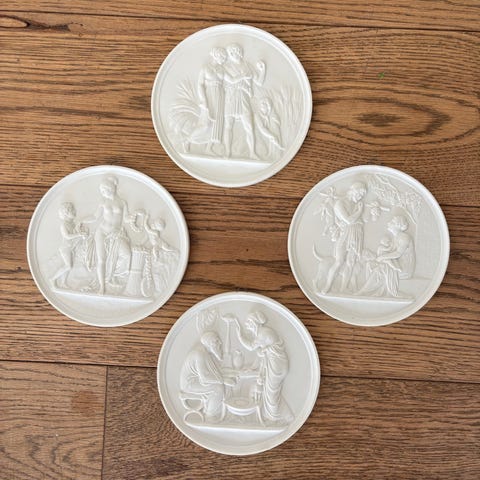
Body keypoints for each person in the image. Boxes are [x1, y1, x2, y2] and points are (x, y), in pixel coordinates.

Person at [233, 311, 292, 424]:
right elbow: (262, 353)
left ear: (254, 322)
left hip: (277, 366)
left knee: (271, 393)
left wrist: (240, 335)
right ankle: (285, 416)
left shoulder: (263, 333)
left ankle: (274, 418)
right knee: (270, 391)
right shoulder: (261, 333)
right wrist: (253, 368)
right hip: (275, 364)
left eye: (248, 322)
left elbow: (251, 347)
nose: (246, 324)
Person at [83, 176, 135, 294]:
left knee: (127, 254)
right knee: (102, 259)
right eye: (101, 191)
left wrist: (132, 217)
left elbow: (126, 218)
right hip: (102, 232)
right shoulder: (103, 202)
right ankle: (102, 287)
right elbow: (95, 216)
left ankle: (113, 275)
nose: (103, 193)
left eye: (104, 190)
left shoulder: (122, 202)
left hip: (116, 234)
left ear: (111, 188)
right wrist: (82, 221)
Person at [321, 182, 367, 294]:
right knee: (339, 261)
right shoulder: (340, 203)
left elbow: (360, 221)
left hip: (356, 235)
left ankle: (343, 289)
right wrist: (359, 211)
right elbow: (349, 220)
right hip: (346, 234)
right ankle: (327, 286)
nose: (360, 198)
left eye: (362, 196)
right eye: (359, 194)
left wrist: (358, 213)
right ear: (353, 191)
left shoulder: (355, 204)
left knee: (351, 263)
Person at [180, 331, 237, 420]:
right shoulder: (199, 354)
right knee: (218, 388)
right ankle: (210, 416)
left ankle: (226, 413)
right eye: (216, 341)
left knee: (221, 385)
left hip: (196, 381)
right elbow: (205, 378)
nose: (220, 343)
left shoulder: (204, 352)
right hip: (190, 384)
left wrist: (231, 374)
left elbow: (215, 372)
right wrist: (224, 380)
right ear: (209, 343)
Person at [223, 44, 266, 159]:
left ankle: (252, 152)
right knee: (228, 125)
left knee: (249, 127)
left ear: (239, 52)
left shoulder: (248, 66)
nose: (233, 54)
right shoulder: (226, 67)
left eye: (235, 52)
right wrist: (243, 76)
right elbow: (230, 80)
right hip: (231, 98)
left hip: (244, 98)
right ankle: (227, 152)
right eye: (231, 53)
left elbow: (259, 82)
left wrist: (263, 70)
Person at [187, 47, 227, 154]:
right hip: (209, 95)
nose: (224, 59)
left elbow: (228, 82)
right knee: (205, 124)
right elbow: (200, 84)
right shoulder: (205, 68)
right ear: (216, 55)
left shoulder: (222, 69)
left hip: (220, 96)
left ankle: (209, 148)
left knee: (215, 125)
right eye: (222, 57)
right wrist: (203, 100)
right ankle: (188, 140)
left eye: (225, 58)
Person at [51, 202, 88, 288]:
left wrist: (82, 233)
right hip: (65, 248)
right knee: (68, 266)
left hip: (72, 248)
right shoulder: (64, 224)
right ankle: (52, 279)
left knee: (69, 267)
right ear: (66, 213)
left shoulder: (73, 223)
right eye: (72, 210)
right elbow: (67, 236)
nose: (75, 211)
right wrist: (79, 234)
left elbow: (76, 234)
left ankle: (63, 283)